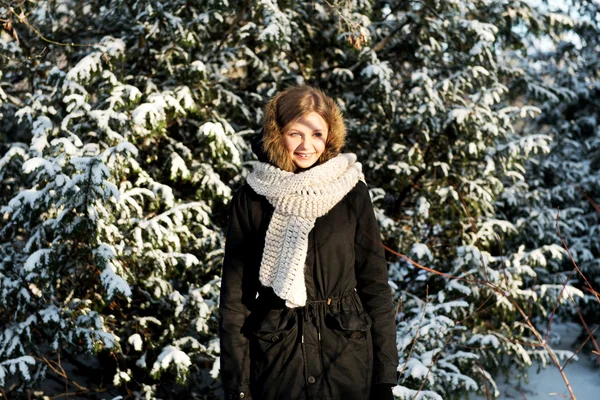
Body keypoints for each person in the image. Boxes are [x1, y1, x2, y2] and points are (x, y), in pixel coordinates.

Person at [218, 85, 399, 400]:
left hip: (346, 357)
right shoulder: (252, 197)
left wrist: (385, 377)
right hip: (277, 360)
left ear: (329, 136)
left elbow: (375, 286)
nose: (307, 145)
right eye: (295, 134)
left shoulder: (351, 192)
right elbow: (235, 301)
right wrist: (239, 385)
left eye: (317, 134)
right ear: (277, 135)